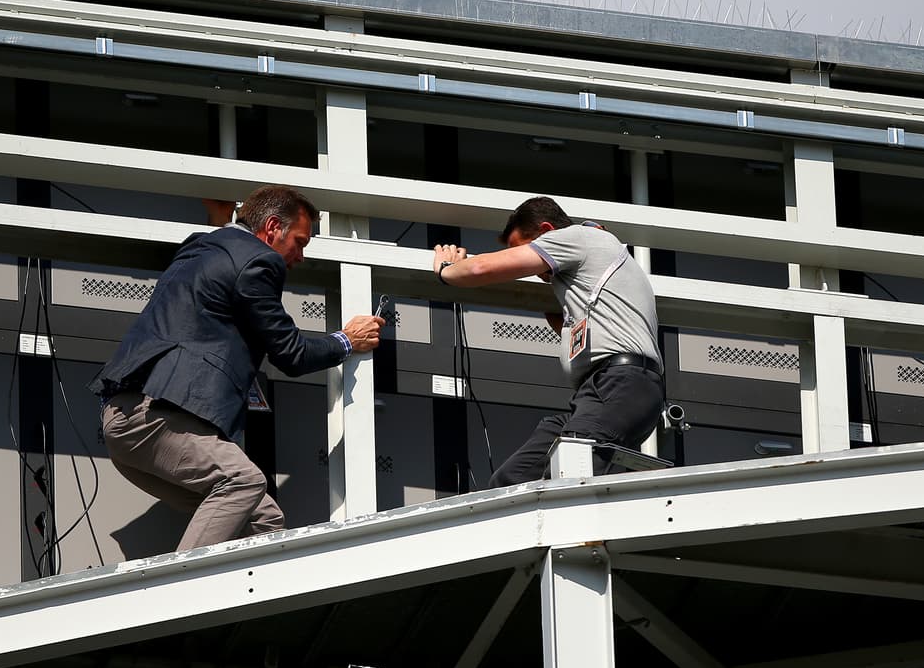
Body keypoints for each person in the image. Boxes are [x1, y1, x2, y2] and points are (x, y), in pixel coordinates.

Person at [90, 185, 384, 551]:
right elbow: (290, 353)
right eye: (300, 241)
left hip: (127, 421)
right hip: (155, 418)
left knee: (263, 520)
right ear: (273, 227)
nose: (301, 256)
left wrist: (220, 220)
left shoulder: (204, 246)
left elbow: (216, 275)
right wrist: (346, 340)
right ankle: (179, 592)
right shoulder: (261, 261)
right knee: (243, 481)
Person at [432, 196, 663, 484]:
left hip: (619, 384)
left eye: (527, 248)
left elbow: (480, 269)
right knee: (510, 480)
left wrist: (447, 270)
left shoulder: (579, 237)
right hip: (600, 393)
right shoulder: (589, 270)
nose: (530, 264)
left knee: (573, 467)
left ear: (546, 230)